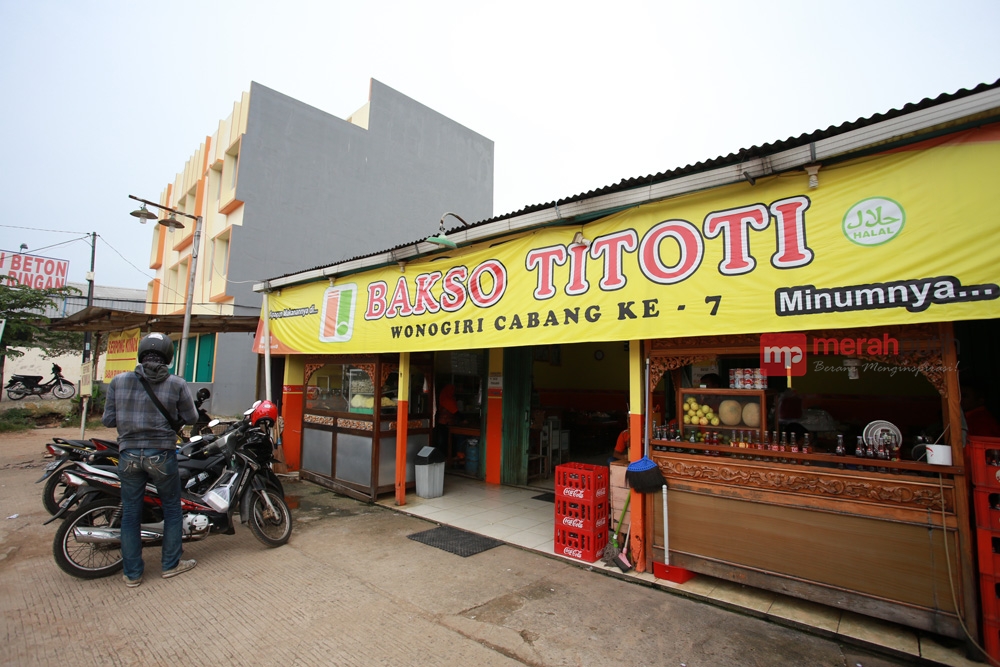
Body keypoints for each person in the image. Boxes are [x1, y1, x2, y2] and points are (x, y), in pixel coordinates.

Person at [102, 332, 199, 588]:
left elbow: (108, 420)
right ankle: (170, 564)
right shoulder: (177, 384)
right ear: (168, 355)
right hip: (162, 454)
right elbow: (191, 418)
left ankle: (132, 574)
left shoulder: (118, 381)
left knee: (131, 514)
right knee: (172, 509)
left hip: (129, 455)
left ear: (141, 353)